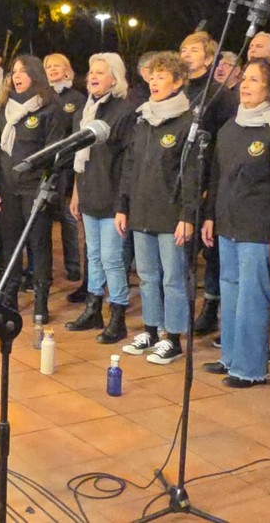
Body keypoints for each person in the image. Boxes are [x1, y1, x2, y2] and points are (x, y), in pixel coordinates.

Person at [200, 57, 270, 388]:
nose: (245, 85)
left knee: (252, 297)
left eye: (255, 80)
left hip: (259, 229)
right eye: (244, 79)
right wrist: (210, 217)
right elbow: (217, 176)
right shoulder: (230, 127)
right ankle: (229, 356)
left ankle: (250, 367)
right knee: (230, 291)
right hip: (227, 225)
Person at [118, 51, 201, 365]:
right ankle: (151, 331)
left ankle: (174, 337)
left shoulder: (187, 123)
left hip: (171, 215)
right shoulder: (142, 119)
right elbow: (130, 166)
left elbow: (192, 175)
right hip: (141, 212)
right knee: (147, 275)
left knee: (173, 278)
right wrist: (122, 206)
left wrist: (187, 216)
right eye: (152, 76)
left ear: (178, 82)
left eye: (162, 76)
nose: (154, 81)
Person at [64, 53, 136, 344]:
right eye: (91, 71)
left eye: (100, 72)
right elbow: (81, 158)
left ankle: (117, 317)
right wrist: (76, 193)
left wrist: (123, 204)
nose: (92, 76)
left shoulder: (124, 111)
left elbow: (128, 163)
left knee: (111, 259)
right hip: (89, 192)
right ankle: (93, 308)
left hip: (112, 197)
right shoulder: (87, 109)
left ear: (114, 79)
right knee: (92, 256)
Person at [0, 54, 67, 321]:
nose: (17, 76)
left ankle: (40, 302)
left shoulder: (50, 110)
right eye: (14, 72)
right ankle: (9, 298)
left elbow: (55, 155)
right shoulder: (2, 113)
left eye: (23, 72)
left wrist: (48, 189)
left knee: (39, 245)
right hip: (8, 190)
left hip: (36, 189)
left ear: (35, 75)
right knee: (10, 246)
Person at [179, 30, 237, 337]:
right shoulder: (178, 90)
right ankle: (182, 306)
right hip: (178, 179)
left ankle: (210, 307)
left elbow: (223, 142)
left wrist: (208, 184)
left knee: (209, 250)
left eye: (193, 50)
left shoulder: (220, 94)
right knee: (183, 251)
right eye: (183, 49)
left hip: (207, 179)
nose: (186, 54)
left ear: (209, 57)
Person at [44, 53, 85, 284]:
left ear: (67, 70)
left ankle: (73, 266)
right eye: (48, 66)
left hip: (67, 167)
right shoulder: (43, 96)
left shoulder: (76, 98)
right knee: (44, 218)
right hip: (47, 167)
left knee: (68, 217)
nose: (52, 69)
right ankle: (43, 268)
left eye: (57, 66)